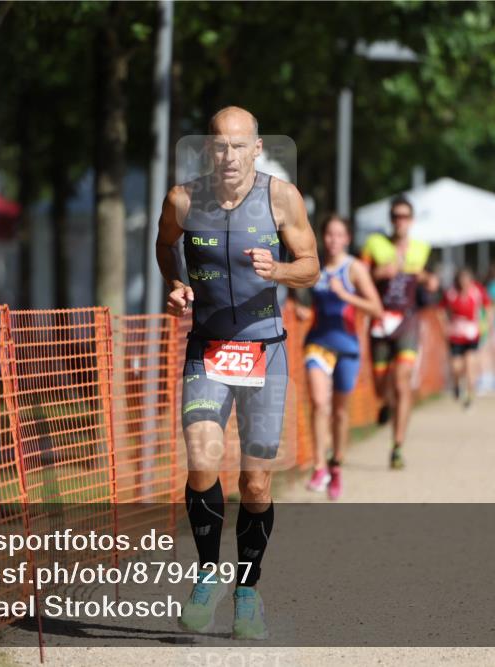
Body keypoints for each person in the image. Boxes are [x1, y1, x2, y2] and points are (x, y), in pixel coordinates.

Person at [155, 106, 318, 640]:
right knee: (201, 461)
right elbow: (164, 244)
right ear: (209, 150)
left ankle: (247, 590)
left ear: (256, 148)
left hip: (264, 353)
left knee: (254, 484)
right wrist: (175, 283)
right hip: (208, 349)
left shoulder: (281, 197)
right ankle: (208, 573)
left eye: (239, 145)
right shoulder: (183, 198)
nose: (228, 155)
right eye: (219, 146)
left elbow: (311, 265)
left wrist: (280, 270)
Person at [295, 214, 382, 500]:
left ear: (347, 238)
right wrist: (304, 313)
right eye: (329, 235)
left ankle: (336, 464)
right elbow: (312, 306)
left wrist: (346, 295)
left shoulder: (354, 268)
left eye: (339, 235)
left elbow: (375, 308)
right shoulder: (314, 267)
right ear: (323, 237)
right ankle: (319, 466)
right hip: (318, 344)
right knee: (320, 403)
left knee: (341, 412)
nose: (333, 240)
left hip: (347, 346)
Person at [361, 195, 438, 470]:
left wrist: (430, 280)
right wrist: (378, 273)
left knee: (402, 381)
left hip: (407, 321)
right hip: (380, 322)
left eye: (405, 216)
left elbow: (426, 277)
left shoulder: (422, 249)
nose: (400, 221)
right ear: (391, 219)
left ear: (412, 220)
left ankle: (397, 446)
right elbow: (359, 275)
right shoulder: (374, 244)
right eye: (396, 216)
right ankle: (385, 404)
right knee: (382, 384)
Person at [441, 268, 492, 409]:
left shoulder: (477, 291)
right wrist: (446, 325)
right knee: (456, 367)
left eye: (467, 280)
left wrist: (486, 324)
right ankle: (457, 385)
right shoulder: (451, 293)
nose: (464, 283)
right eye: (461, 281)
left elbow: (487, 307)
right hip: (456, 335)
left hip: (472, 334)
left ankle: (470, 396)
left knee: (470, 366)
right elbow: (442, 310)